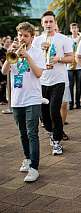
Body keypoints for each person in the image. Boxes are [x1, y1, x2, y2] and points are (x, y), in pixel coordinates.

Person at [2, 22, 46, 182]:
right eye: (20, 35)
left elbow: (39, 73)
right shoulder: (13, 52)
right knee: (22, 133)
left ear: (32, 37)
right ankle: (27, 158)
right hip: (17, 98)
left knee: (32, 133)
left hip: (33, 98)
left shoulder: (37, 53)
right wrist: (10, 55)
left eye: (26, 36)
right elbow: (4, 71)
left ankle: (34, 168)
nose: (22, 38)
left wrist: (28, 57)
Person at [32, 11, 73, 155]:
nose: (48, 24)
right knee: (43, 114)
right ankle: (51, 132)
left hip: (58, 80)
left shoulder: (63, 39)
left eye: (51, 21)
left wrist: (59, 59)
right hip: (42, 80)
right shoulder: (37, 41)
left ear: (55, 23)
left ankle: (57, 141)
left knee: (54, 110)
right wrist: (39, 50)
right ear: (42, 24)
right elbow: (32, 59)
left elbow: (71, 58)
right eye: (46, 22)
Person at [67, 23, 81, 110]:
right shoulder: (68, 39)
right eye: (72, 28)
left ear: (78, 29)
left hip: (79, 66)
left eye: (75, 28)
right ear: (70, 30)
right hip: (70, 66)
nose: (74, 29)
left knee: (78, 86)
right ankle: (70, 103)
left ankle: (78, 102)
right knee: (70, 86)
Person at [0, 37, 12, 104]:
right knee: (2, 84)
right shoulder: (1, 50)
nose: (8, 43)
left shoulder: (10, 50)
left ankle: (7, 99)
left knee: (8, 84)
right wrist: (3, 67)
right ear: (3, 43)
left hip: (9, 69)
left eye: (9, 42)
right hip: (2, 69)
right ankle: (1, 99)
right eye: (7, 42)